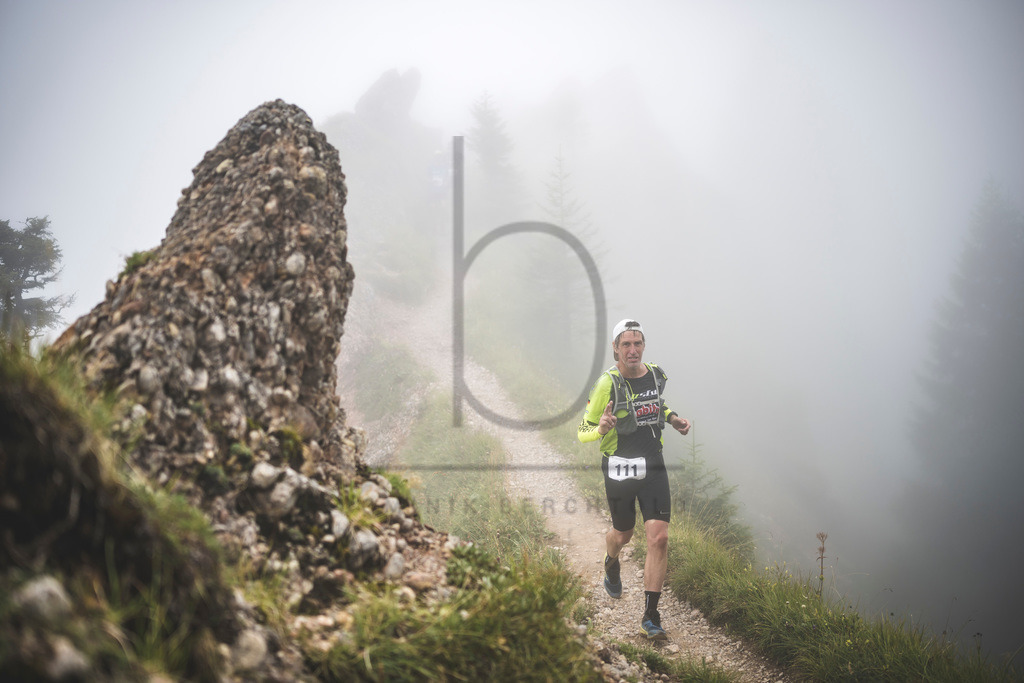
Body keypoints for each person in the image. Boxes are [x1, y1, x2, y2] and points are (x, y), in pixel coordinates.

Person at [577, 318, 691, 640]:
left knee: (659, 538)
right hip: (618, 468)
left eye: (637, 343)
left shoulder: (655, 374)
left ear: (644, 346)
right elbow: (581, 431)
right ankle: (611, 560)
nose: (632, 350)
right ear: (615, 348)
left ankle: (650, 616)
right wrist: (599, 429)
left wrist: (672, 419)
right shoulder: (606, 385)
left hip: (653, 465)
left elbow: (656, 403)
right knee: (623, 534)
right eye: (625, 344)